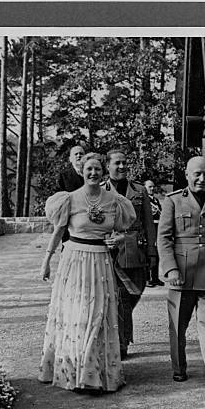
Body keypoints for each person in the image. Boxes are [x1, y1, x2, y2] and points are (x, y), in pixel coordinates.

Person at [39, 153, 136, 393]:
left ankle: (94, 373)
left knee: (98, 316)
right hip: (74, 261)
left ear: (103, 172)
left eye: (97, 169)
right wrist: (47, 259)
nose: (93, 173)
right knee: (78, 316)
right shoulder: (69, 199)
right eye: (89, 169)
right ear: (82, 171)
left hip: (101, 261)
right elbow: (59, 230)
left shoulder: (116, 201)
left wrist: (118, 239)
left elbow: (124, 230)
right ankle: (73, 372)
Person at [157, 156, 205, 392]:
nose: (202, 179)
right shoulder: (172, 201)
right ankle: (179, 367)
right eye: (197, 174)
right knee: (178, 326)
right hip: (180, 274)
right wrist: (170, 268)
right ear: (187, 174)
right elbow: (163, 238)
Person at [103, 149, 156, 359]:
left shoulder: (139, 190)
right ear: (108, 166)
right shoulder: (99, 190)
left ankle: (121, 336)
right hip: (110, 254)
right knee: (120, 299)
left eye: (125, 162)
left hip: (135, 251)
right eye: (117, 163)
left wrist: (152, 252)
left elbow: (149, 224)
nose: (122, 167)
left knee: (134, 294)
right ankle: (122, 343)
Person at [56, 144, 86, 244]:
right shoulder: (64, 176)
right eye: (76, 154)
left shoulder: (92, 174)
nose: (78, 156)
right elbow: (60, 201)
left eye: (81, 154)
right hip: (71, 220)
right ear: (70, 159)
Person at [144, 179, 164, 287]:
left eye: (153, 187)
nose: (152, 189)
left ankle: (155, 278)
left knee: (156, 254)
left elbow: (160, 213)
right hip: (149, 228)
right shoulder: (144, 200)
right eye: (149, 187)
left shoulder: (155, 200)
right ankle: (147, 278)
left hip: (157, 227)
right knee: (148, 254)